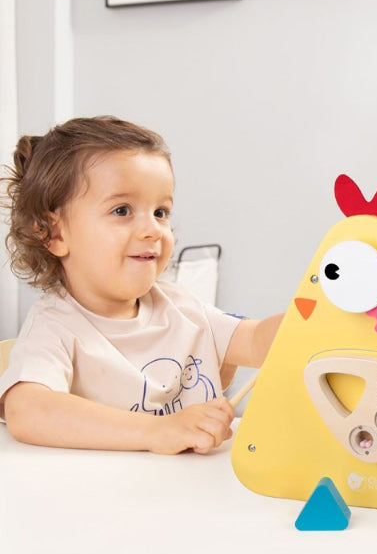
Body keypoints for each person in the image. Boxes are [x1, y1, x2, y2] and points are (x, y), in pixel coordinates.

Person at [0, 116, 282, 454]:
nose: (153, 230)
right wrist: (157, 431)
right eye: (122, 210)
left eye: (161, 212)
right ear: (54, 233)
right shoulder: (55, 327)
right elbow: (27, 411)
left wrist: (319, 315)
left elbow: (256, 340)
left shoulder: (181, 307)